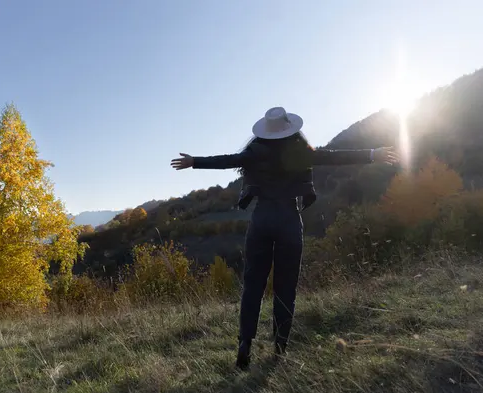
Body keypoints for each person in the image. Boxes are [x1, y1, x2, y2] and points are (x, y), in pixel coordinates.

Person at [170, 107, 399, 370]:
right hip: (289, 219)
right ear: (289, 128)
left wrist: (194, 161)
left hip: (262, 218)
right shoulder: (300, 151)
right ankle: (280, 346)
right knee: (285, 286)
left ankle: (245, 342)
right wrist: (373, 154)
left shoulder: (255, 152)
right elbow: (333, 157)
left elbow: (228, 160)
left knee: (253, 284)